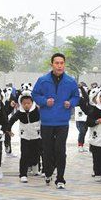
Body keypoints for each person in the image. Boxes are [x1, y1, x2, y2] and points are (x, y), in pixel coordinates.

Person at [32, 53, 80, 189]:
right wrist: (44, 101)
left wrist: (70, 103)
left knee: (60, 150)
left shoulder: (70, 81)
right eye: (56, 63)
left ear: (64, 64)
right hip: (47, 121)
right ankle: (48, 172)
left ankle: (60, 178)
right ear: (52, 64)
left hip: (62, 122)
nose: (59, 65)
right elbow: (35, 94)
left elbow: (76, 96)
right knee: (47, 151)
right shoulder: (42, 80)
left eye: (61, 63)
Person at [8, 90, 41, 183]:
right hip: (25, 137)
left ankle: (35, 167)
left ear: (32, 102)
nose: (26, 105)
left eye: (29, 103)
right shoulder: (19, 112)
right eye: (24, 103)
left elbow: (46, 120)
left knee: (36, 154)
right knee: (24, 155)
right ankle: (23, 174)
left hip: (36, 136)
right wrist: (8, 129)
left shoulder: (37, 111)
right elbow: (12, 120)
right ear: (21, 103)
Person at [75, 83, 90, 152]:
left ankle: (82, 145)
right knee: (82, 131)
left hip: (86, 118)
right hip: (79, 118)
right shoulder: (77, 99)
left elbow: (86, 97)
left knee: (84, 132)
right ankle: (80, 145)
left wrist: (82, 88)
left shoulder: (86, 99)